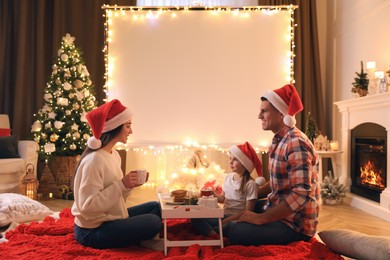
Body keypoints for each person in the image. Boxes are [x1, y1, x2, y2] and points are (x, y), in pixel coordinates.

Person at [225, 84, 320, 246]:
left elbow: (301, 194)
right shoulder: (278, 140)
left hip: (295, 225)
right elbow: (279, 184)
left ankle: (230, 227)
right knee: (233, 214)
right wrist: (246, 193)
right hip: (277, 208)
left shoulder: (295, 143)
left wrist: (261, 218)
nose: (259, 116)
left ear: (282, 113)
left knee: (235, 231)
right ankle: (222, 225)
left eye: (264, 111)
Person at [71, 99, 163, 250]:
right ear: (115, 127)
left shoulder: (113, 155)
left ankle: (140, 238)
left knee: (155, 207)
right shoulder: (94, 160)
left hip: (109, 218)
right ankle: (142, 238)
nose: (131, 131)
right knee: (153, 222)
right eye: (128, 126)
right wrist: (121, 185)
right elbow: (87, 207)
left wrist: (129, 186)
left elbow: (117, 199)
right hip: (92, 231)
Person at [191, 141, 266, 237]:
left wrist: (227, 220)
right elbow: (223, 199)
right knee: (195, 217)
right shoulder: (228, 177)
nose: (230, 162)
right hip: (223, 215)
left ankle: (214, 232)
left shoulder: (250, 184)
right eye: (230, 159)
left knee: (230, 227)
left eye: (235, 160)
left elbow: (248, 212)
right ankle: (215, 233)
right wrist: (214, 194)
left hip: (236, 219)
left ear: (244, 163)